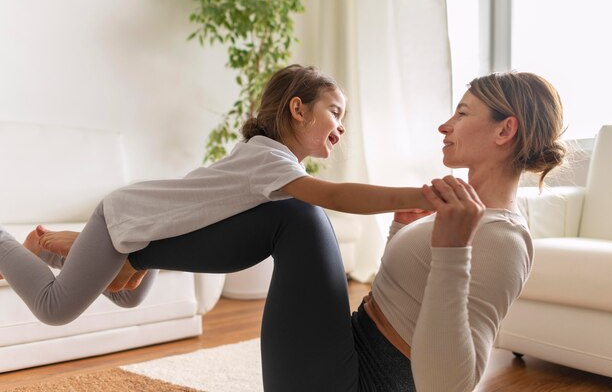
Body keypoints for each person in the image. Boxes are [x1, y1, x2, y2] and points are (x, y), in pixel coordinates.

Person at [0, 68, 565, 391]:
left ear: (504, 130)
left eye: (462, 113)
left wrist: (449, 252)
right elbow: (409, 302)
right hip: (348, 345)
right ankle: (132, 251)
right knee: (294, 212)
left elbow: (449, 383)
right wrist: (402, 230)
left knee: (297, 215)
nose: (445, 123)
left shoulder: (503, 238)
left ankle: (133, 251)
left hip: (362, 382)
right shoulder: (274, 161)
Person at [0, 63, 434, 322]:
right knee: (54, 308)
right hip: (125, 217)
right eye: (335, 112)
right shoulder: (269, 160)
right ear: (297, 109)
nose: (342, 126)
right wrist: (418, 194)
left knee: (129, 296)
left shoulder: (270, 160)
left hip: (144, 230)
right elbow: (336, 196)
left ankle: (56, 249)